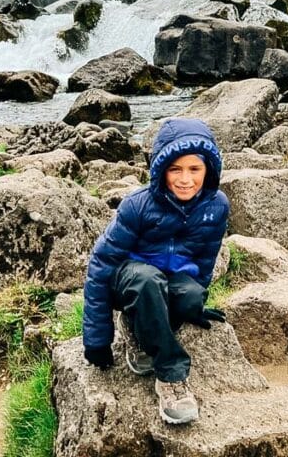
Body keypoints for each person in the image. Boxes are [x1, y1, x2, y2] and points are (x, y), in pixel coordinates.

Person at [81, 117, 229, 425]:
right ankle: (171, 377)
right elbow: (101, 265)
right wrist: (96, 336)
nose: (185, 179)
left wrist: (196, 303)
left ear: (209, 169)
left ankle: (137, 329)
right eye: (175, 169)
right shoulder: (137, 206)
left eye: (195, 169)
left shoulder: (216, 206)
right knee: (148, 280)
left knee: (189, 296)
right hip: (131, 278)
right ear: (161, 170)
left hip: (171, 279)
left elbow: (205, 260)